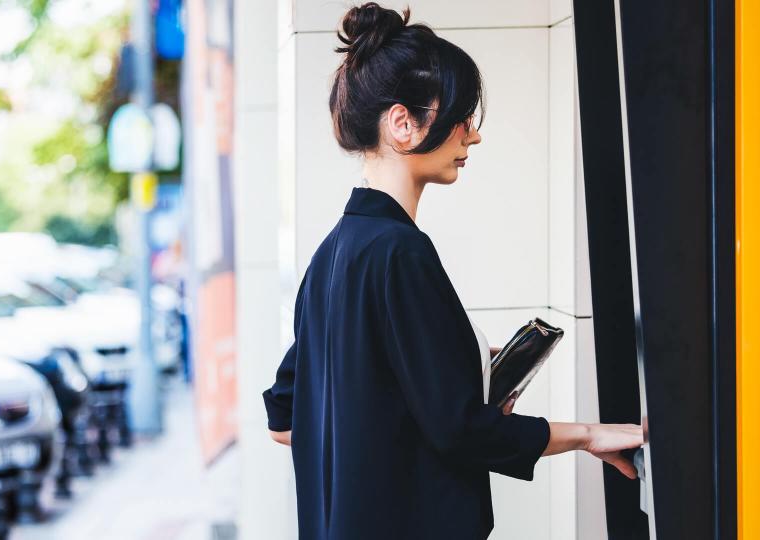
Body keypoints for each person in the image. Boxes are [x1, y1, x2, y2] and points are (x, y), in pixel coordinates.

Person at [263, 3, 644, 538]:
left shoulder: (333, 254)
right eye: (462, 116)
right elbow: (459, 429)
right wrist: (590, 435)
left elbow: (285, 419)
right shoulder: (399, 252)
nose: (472, 135)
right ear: (403, 123)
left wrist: (426, 377)